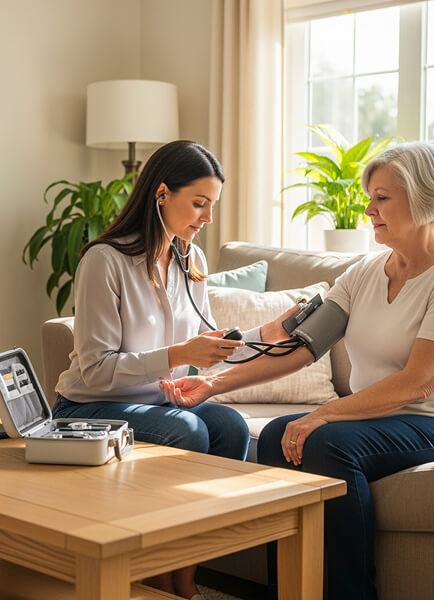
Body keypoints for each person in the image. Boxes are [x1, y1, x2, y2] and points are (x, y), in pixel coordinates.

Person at [160, 141, 434, 600]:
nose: (368, 209)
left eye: (382, 197)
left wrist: (324, 413)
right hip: (382, 416)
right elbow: (303, 348)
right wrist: (213, 383)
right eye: (370, 196)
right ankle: (293, 591)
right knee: (283, 437)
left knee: (327, 444)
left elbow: (418, 382)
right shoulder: (365, 272)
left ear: (424, 197)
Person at [52, 140, 294, 600]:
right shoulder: (104, 261)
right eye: (199, 203)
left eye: (212, 206)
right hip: (89, 404)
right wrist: (177, 352)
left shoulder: (192, 260)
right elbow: (97, 370)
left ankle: (185, 578)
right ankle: (156, 578)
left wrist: (274, 330)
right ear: (162, 192)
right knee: (188, 431)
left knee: (228, 425)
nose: (206, 218)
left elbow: (207, 345)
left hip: (157, 403)